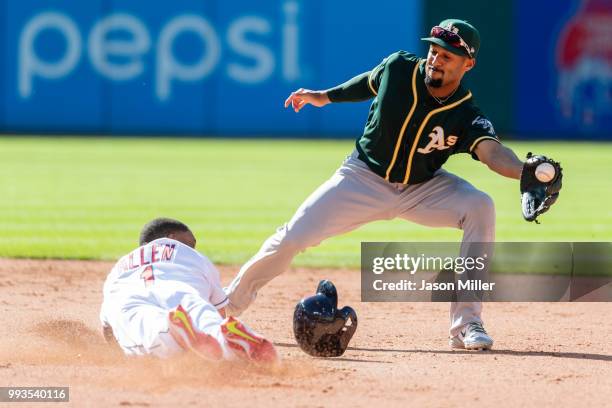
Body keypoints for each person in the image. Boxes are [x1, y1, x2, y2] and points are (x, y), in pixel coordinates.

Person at [225, 19, 542, 351]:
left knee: (480, 205)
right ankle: (226, 308)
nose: (435, 59)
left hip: (423, 189)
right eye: (434, 51)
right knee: (291, 237)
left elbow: (492, 153)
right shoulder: (400, 68)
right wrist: (324, 97)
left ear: (468, 64)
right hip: (362, 178)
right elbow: (368, 83)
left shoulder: (465, 112)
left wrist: (525, 172)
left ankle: (466, 323)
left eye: (447, 56)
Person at [100, 217, 278, 363]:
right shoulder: (194, 256)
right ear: (172, 238)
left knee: (152, 332)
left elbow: (108, 326)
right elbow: (219, 312)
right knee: (206, 317)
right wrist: (216, 324)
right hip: (183, 291)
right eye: (191, 242)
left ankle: (172, 330)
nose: (193, 247)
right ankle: (224, 339)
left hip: (134, 301)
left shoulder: (119, 266)